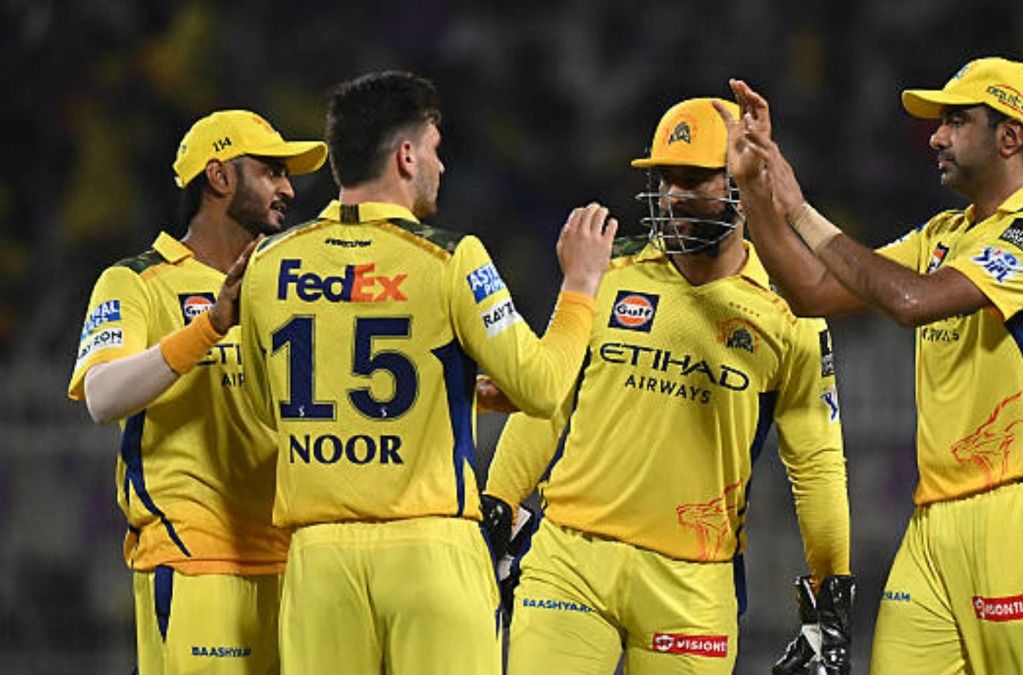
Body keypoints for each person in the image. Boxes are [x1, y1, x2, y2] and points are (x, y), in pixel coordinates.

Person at [720, 57, 1023, 674]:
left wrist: (800, 208)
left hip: (1022, 504)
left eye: (957, 121)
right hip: (935, 519)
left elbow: (910, 301)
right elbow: (814, 291)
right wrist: (760, 192)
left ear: (1011, 136)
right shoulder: (944, 234)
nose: (936, 137)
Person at [236, 70, 616, 675]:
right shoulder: (450, 257)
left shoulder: (268, 262)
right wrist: (580, 287)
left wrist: (460, 395)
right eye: (436, 152)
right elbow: (543, 388)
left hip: (318, 562)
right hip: (431, 552)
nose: (442, 167)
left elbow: (265, 404)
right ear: (407, 156)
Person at [480, 96, 852, 675]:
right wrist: (499, 503)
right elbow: (548, 403)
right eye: (664, 179)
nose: (674, 195)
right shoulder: (606, 272)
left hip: (692, 583)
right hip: (570, 559)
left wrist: (831, 592)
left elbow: (817, 463)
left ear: (742, 183)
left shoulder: (790, 311)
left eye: (693, 179)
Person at [67, 110, 327, 674]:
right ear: (220, 177)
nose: (288, 188)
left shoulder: (292, 289)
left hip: (297, 561)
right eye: (272, 171)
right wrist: (209, 326)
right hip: (196, 560)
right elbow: (102, 396)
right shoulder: (136, 280)